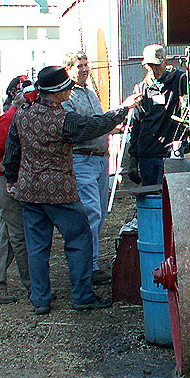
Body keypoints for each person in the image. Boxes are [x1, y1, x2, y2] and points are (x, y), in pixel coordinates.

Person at [3, 65, 139, 315]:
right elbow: (95, 126)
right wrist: (124, 109)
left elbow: (12, 147)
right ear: (56, 93)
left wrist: (12, 178)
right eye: (66, 89)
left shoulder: (22, 114)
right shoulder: (63, 120)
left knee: (37, 247)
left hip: (29, 192)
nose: (69, 93)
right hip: (60, 191)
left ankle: (40, 300)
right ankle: (82, 294)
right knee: (79, 239)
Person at [0, 76, 35, 304]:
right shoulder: (11, 118)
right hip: (7, 182)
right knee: (19, 235)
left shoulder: (18, 115)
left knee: (9, 234)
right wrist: (10, 172)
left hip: (10, 180)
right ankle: (35, 287)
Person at [61, 51, 114, 285]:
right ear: (68, 69)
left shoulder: (91, 94)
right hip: (82, 159)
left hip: (101, 159)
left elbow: (98, 123)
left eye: (86, 64)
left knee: (100, 213)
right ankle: (87, 267)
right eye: (79, 65)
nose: (84, 69)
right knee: (90, 212)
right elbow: (79, 127)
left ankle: (90, 261)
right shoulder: (68, 98)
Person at [128, 44, 187, 187]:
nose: (153, 70)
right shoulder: (141, 89)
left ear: (165, 62)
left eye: (156, 65)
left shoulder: (179, 81)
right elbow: (136, 124)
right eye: (149, 66)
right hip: (147, 154)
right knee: (150, 198)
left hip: (170, 153)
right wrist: (133, 158)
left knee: (168, 198)